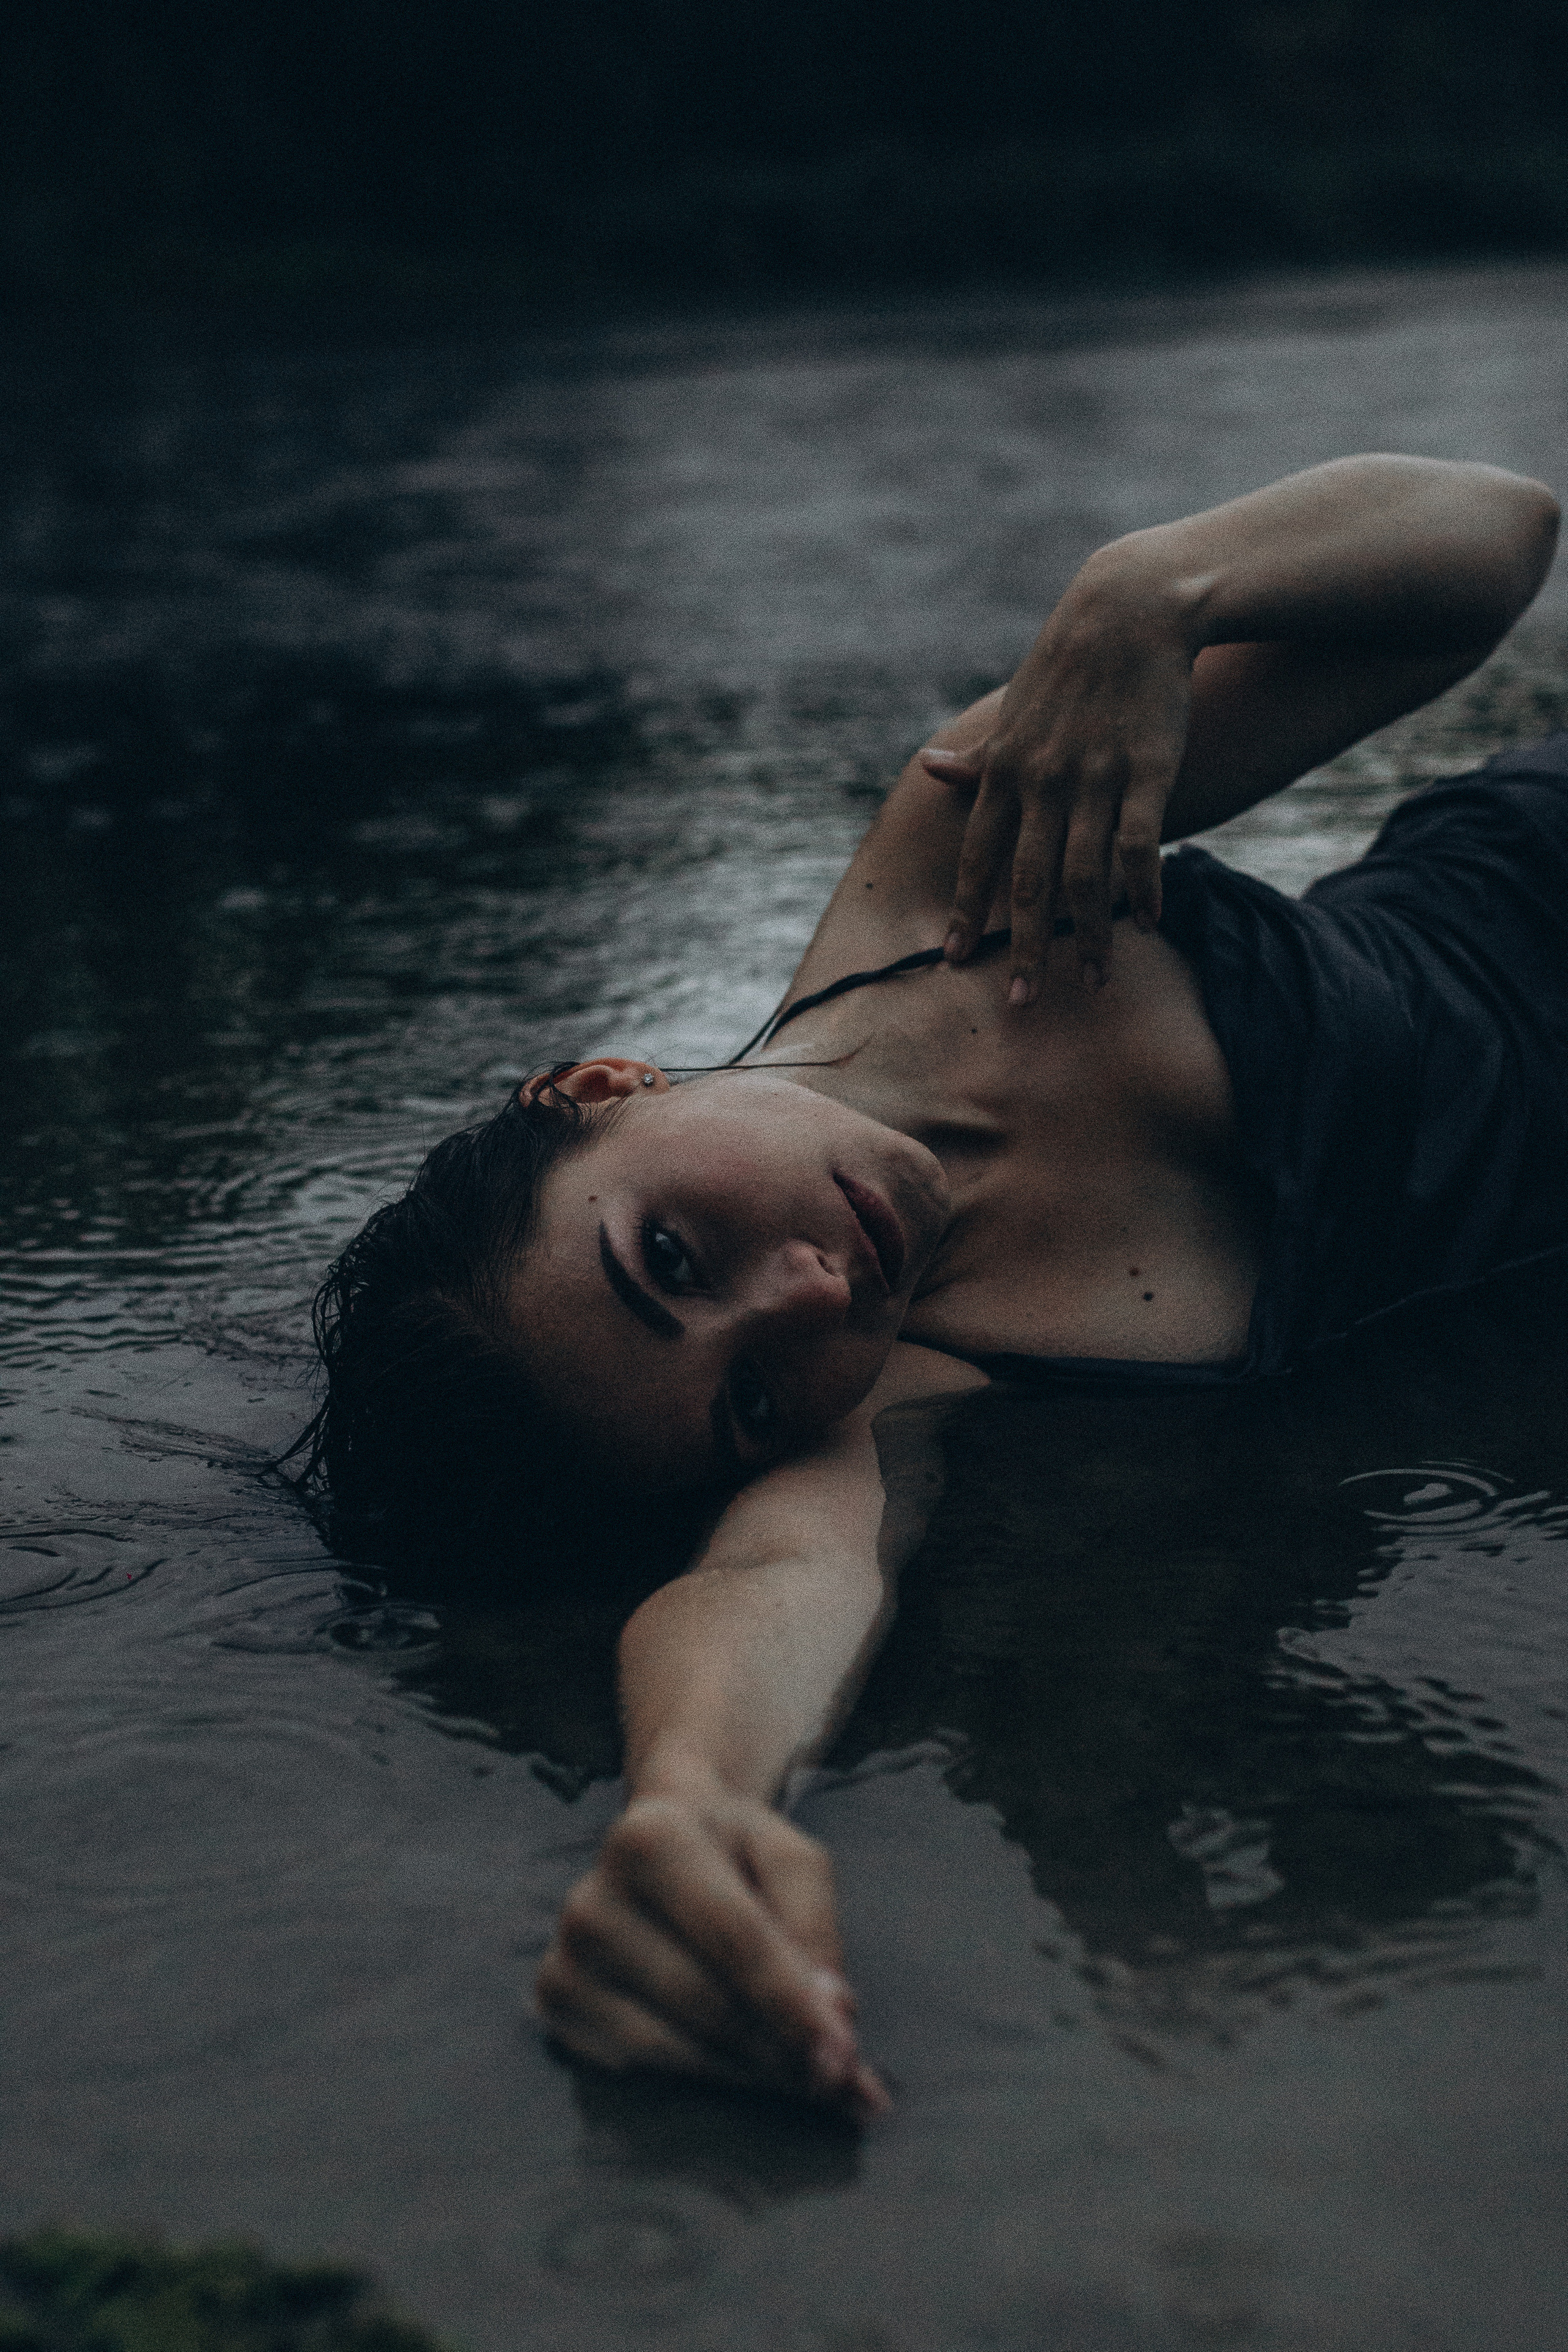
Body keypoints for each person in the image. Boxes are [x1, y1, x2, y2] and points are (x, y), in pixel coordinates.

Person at [303, 454, 1563, 2117]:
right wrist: (687, 1811)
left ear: (597, 1088)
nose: (812, 1299)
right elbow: (766, 1583)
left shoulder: (955, 880)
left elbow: (1501, 540)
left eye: (670, 1257)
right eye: (749, 1398)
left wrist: (1151, 592)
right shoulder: (897, 1385)